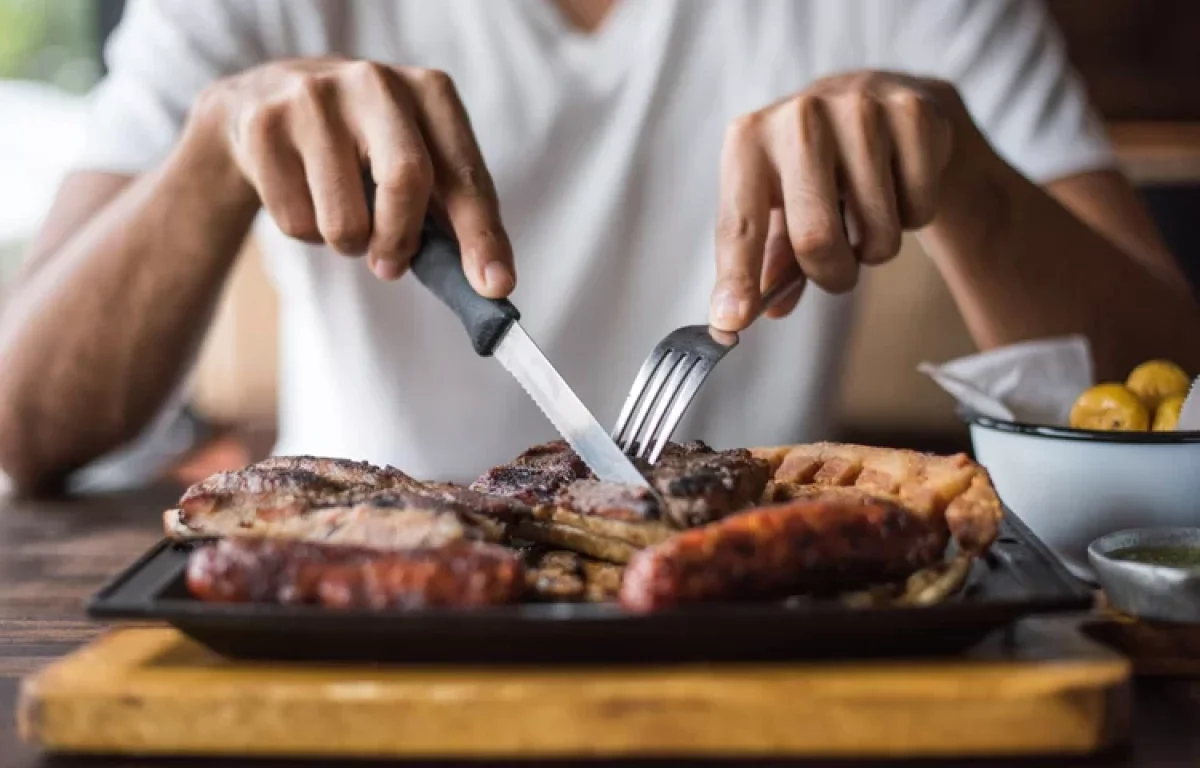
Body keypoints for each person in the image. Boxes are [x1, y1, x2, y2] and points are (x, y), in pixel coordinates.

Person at [1, 0, 1197, 493]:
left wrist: (973, 187)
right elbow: (23, 425)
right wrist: (212, 157)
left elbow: (1173, 404)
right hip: (348, 628)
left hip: (753, 643)